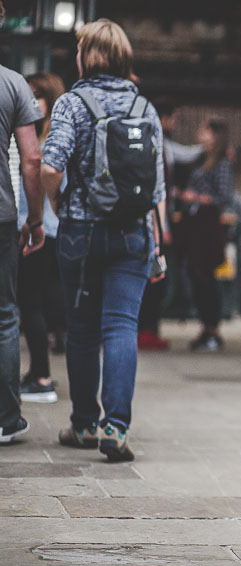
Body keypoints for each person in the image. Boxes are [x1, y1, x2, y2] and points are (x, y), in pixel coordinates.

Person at [41, 18, 165, 460]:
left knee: (82, 330)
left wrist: (56, 204)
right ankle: (116, 426)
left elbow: (51, 166)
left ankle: (83, 424)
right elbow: (158, 190)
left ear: (86, 56)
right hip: (133, 233)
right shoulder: (144, 108)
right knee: (121, 326)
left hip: (82, 232)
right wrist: (157, 244)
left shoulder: (73, 104)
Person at [0, 6, 45, 443]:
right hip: (1, 217)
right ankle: (6, 420)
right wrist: (35, 218)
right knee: (3, 316)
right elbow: (32, 159)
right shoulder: (13, 83)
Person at [137, 100, 202, 350]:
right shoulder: (153, 147)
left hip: (156, 224)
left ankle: (149, 328)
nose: (174, 123)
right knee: (155, 276)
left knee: (157, 275)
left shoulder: (164, 146)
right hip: (155, 226)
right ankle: (146, 329)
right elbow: (157, 191)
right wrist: (161, 229)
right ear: (163, 119)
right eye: (173, 118)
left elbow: (187, 153)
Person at [18, 72, 65, 403]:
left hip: (40, 232)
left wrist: (30, 223)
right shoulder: (54, 139)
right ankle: (39, 371)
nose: (30, 101)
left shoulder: (45, 145)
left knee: (29, 304)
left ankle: (42, 378)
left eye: (35, 94)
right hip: (54, 232)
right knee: (41, 302)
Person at [175, 118, 233, 353]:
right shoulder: (201, 159)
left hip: (207, 225)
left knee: (206, 278)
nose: (200, 133)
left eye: (205, 130)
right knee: (196, 276)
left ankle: (213, 329)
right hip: (194, 224)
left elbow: (224, 196)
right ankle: (206, 327)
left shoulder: (221, 163)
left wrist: (196, 197)